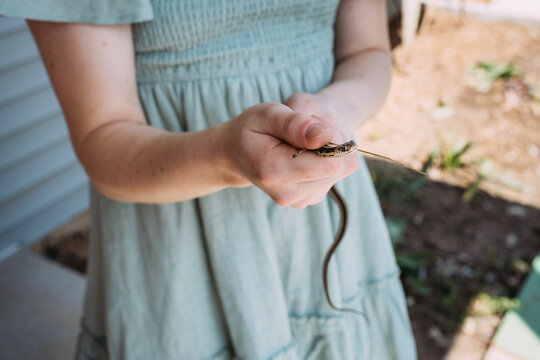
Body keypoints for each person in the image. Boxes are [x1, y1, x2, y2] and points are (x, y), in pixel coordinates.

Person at [1, 0, 417, 358]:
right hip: (175, 241)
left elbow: (368, 52)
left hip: (320, 219)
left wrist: (332, 110)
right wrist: (226, 154)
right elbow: (101, 137)